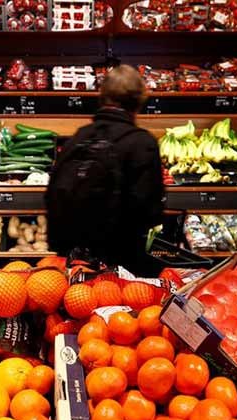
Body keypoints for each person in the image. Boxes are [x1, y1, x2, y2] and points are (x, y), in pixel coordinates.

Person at [45, 64, 164, 275]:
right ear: (138, 102)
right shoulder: (142, 143)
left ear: (102, 96)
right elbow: (150, 211)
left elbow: (53, 196)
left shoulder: (78, 138)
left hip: (75, 264)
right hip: (121, 267)